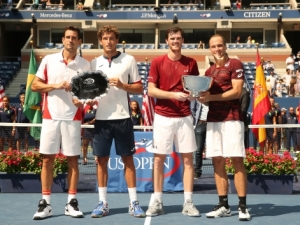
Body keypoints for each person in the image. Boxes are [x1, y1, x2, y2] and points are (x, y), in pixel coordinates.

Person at [31, 26, 90, 220]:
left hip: (72, 119)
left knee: (72, 160)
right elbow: (35, 85)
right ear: (63, 40)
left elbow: (88, 95)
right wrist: (55, 86)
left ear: (79, 41)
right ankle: (45, 204)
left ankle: (71, 202)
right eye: (67, 37)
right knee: (48, 160)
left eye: (74, 38)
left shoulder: (85, 65)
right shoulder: (49, 60)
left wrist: (81, 100)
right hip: (50, 117)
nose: (70, 40)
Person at [90, 25, 145, 218]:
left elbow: (139, 88)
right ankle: (103, 203)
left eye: (112, 38)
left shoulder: (129, 60)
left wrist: (123, 86)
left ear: (117, 40)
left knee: (128, 160)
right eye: (105, 38)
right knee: (101, 161)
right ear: (101, 41)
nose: (108, 41)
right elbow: (90, 91)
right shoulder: (94, 63)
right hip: (102, 120)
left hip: (123, 118)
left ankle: (133, 203)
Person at [146, 27, 200, 217]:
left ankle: (188, 202)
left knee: (188, 160)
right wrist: (172, 95)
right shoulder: (157, 62)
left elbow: (194, 90)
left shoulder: (191, 63)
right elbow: (151, 90)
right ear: (166, 41)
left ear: (182, 40)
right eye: (172, 38)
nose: (175, 41)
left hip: (185, 116)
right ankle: (157, 201)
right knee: (159, 159)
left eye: (178, 38)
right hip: (163, 116)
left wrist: (193, 95)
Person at [199, 34, 251, 221]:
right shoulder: (208, 72)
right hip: (214, 120)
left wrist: (211, 98)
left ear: (225, 46)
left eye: (220, 45)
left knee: (237, 161)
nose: (217, 49)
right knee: (218, 162)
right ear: (210, 49)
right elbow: (204, 95)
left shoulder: (235, 64)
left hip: (232, 119)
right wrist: (197, 95)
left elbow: (237, 92)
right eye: (213, 46)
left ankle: (243, 206)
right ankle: (223, 204)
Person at [191, 99, 208, 179]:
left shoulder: (215, 95)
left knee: (217, 149)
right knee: (198, 150)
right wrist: (195, 120)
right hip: (200, 123)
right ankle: (197, 171)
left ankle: (219, 171)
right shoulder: (197, 95)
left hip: (213, 123)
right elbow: (192, 109)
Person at [240, 84, 251, 149]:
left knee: (242, 146)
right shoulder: (230, 91)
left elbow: (243, 110)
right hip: (230, 123)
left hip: (241, 123)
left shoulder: (244, 92)